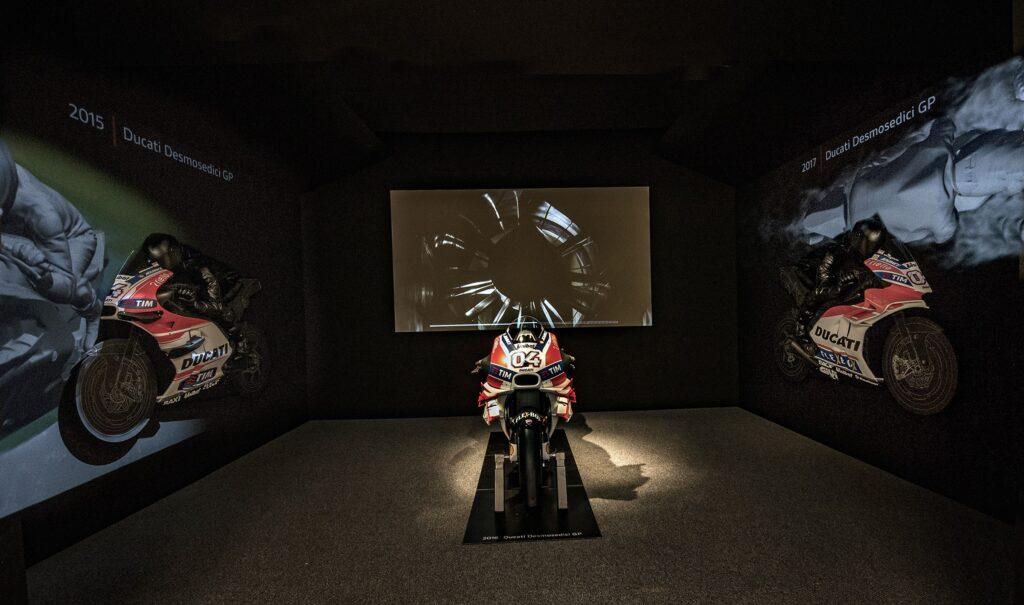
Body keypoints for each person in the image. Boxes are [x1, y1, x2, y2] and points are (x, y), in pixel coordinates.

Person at [796, 218, 886, 348]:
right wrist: (839, 280)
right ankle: (801, 327)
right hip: (816, 270)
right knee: (829, 290)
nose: (871, 249)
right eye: (869, 244)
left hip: (839, 276)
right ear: (859, 238)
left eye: (874, 246)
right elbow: (824, 269)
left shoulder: (864, 257)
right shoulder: (839, 247)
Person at [143, 233, 240, 331]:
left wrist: (196, 305)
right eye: (152, 261)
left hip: (230, 290)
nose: (155, 265)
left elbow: (216, 303)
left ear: (172, 251)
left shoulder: (196, 264)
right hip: (209, 290)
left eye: (159, 260)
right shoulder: (175, 263)